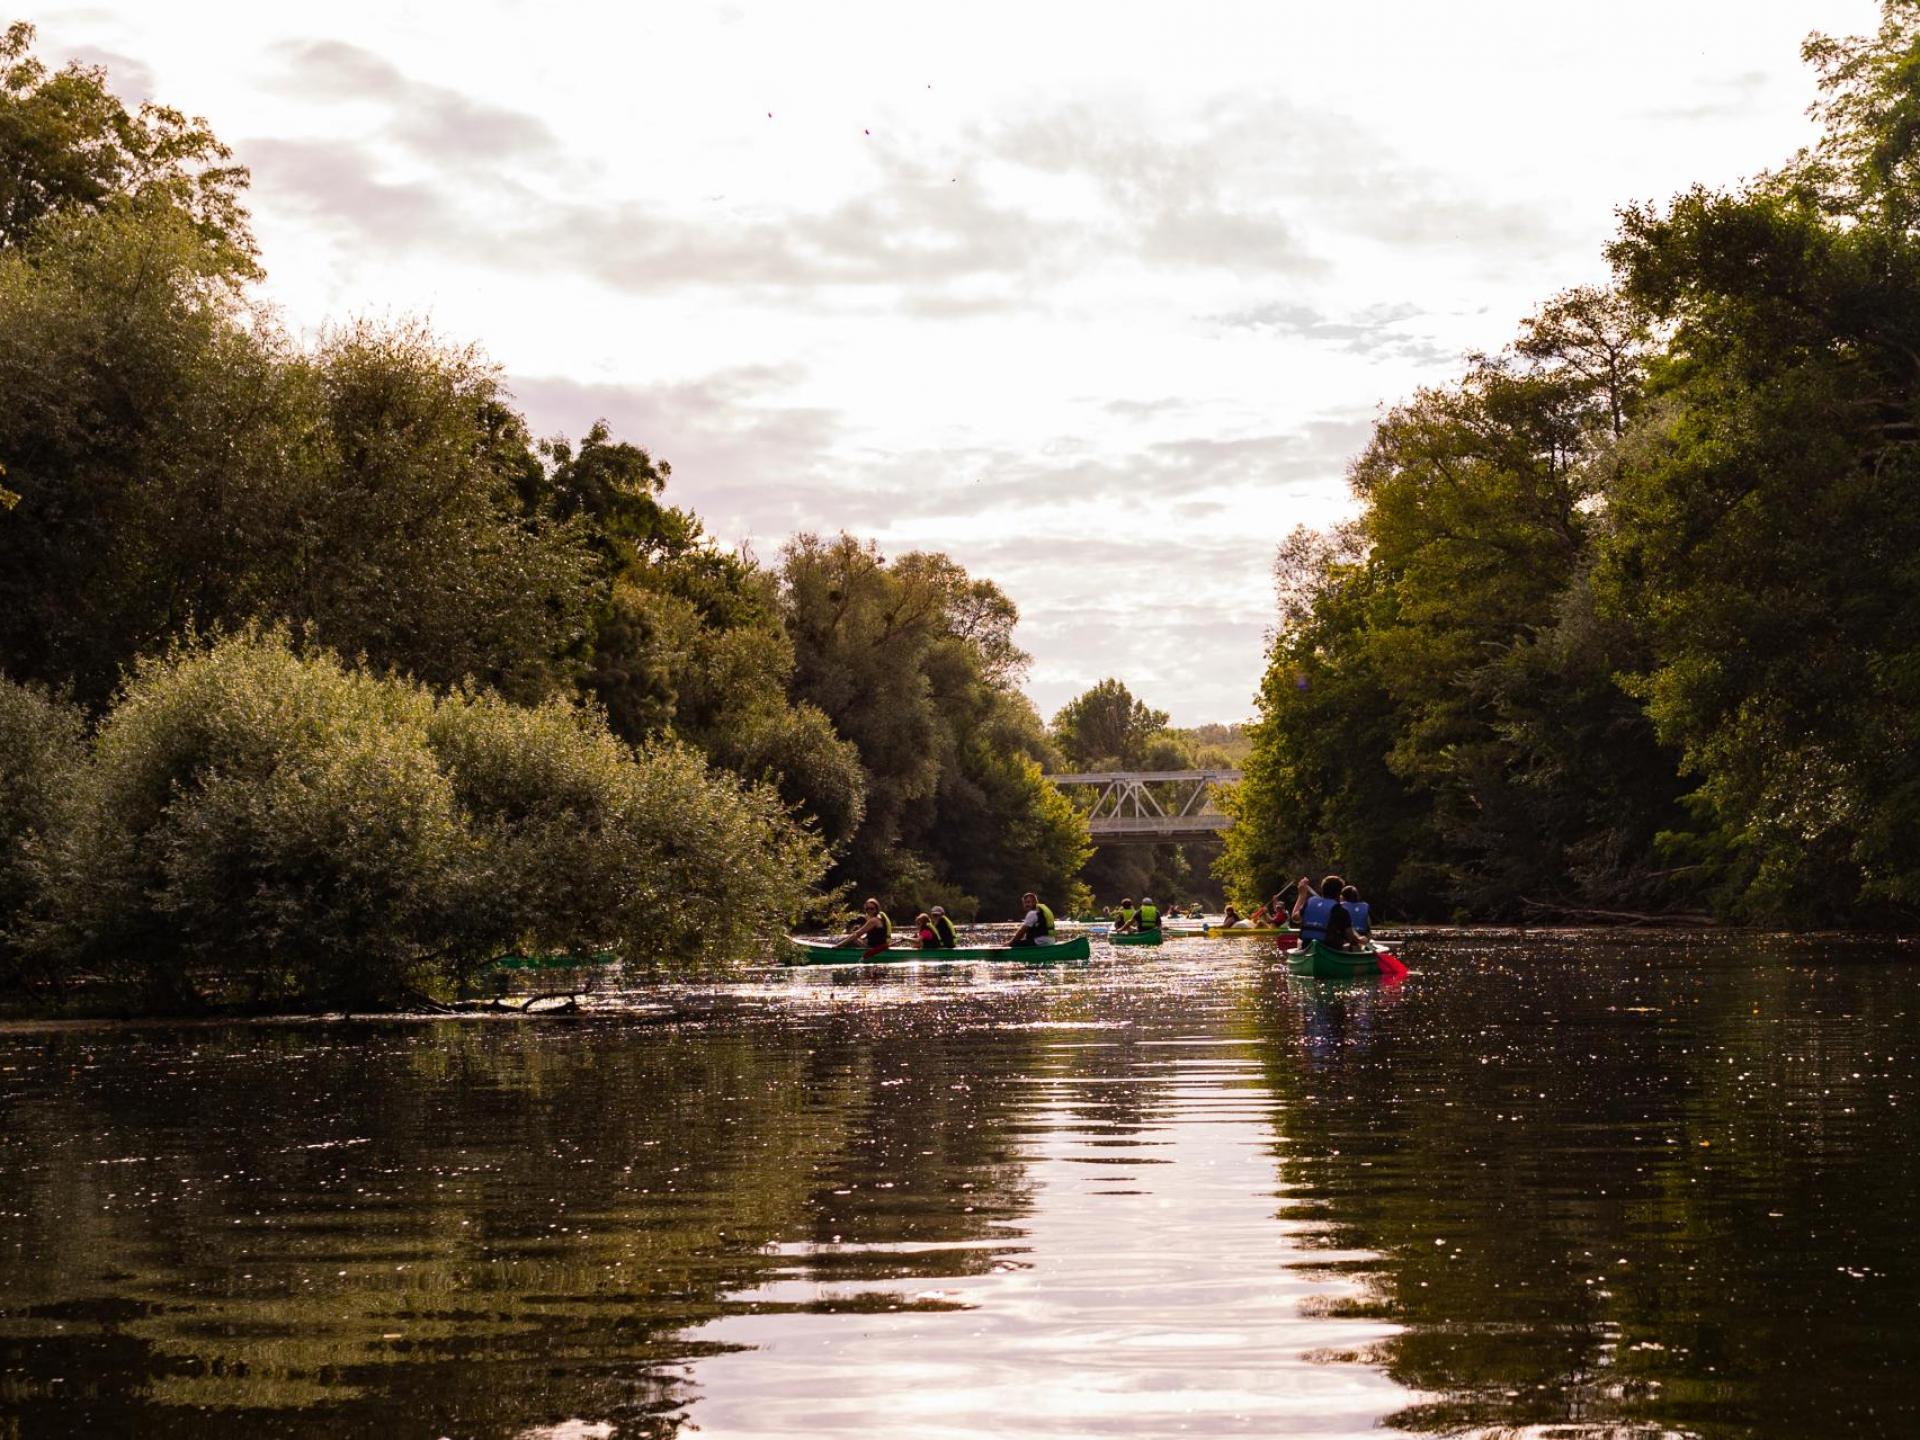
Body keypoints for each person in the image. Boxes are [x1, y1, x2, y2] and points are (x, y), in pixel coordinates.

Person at [1293, 874, 1362, 950]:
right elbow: (1351, 938)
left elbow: (1295, 917)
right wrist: (1361, 939)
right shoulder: (1341, 911)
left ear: (1323, 890)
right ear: (1339, 894)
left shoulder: (1309, 903)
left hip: (1307, 947)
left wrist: (1301, 895)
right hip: (1330, 949)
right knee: (1356, 947)